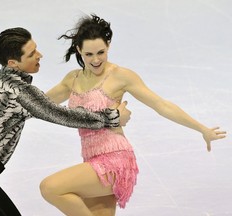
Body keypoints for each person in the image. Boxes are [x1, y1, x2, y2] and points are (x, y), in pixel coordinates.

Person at [39, 14, 227, 216]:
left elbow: (161, 105)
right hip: (91, 161)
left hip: (115, 161)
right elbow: (38, 105)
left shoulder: (120, 76)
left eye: (101, 52)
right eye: (89, 54)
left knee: (50, 187)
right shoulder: (72, 79)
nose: (96, 60)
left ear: (108, 46)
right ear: (79, 50)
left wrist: (202, 129)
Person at [0, 27, 131, 216]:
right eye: (32, 53)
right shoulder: (22, 93)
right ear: (13, 62)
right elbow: (63, 115)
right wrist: (112, 117)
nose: (39, 55)